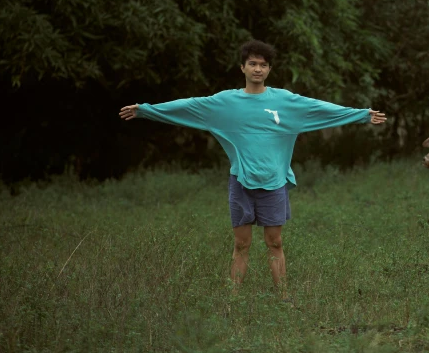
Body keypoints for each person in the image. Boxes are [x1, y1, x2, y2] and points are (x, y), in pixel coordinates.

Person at [119, 39, 386, 298]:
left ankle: (283, 298)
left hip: (274, 182)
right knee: (241, 244)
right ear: (242, 68)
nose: (258, 69)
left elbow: (320, 108)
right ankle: (233, 299)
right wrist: (146, 110)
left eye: (263, 65)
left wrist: (362, 114)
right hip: (241, 181)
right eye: (252, 63)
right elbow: (190, 105)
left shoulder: (285, 101)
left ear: (269, 70)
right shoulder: (225, 103)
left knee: (275, 243)